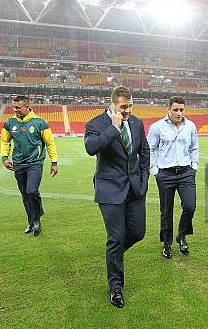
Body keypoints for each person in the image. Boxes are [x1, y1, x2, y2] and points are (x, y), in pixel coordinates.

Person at [84, 86, 150, 308]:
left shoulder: (137, 122)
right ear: (112, 104)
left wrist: (144, 177)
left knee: (138, 233)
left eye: (130, 106)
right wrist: (114, 127)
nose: (128, 110)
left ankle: (112, 258)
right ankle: (116, 287)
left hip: (135, 188)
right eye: (123, 107)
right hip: (110, 190)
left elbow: (144, 151)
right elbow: (91, 148)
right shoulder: (96, 124)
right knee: (116, 238)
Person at [147, 96, 199, 259]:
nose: (179, 112)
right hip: (166, 174)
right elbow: (150, 149)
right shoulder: (157, 127)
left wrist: (194, 166)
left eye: (181, 109)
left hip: (185, 173)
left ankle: (181, 235)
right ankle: (167, 243)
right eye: (175, 109)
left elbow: (194, 147)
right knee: (166, 211)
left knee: (190, 206)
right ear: (168, 109)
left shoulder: (190, 126)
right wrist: (154, 170)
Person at [1, 96, 59, 236]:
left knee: (32, 190)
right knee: (25, 194)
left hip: (35, 163)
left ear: (27, 106)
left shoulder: (40, 122)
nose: (15, 110)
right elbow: (5, 141)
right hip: (18, 164)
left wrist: (54, 162)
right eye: (13, 107)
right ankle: (31, 221)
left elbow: (50, 143)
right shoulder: (10, 122)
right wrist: (4, 157)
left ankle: (37, 219)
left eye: (18, 107)